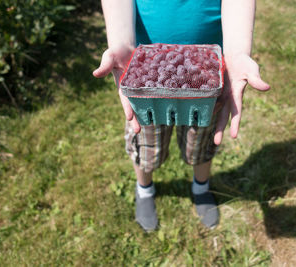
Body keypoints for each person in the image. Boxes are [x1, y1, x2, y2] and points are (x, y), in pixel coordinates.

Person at [93, 0, 270, 231]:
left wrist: (236, 51)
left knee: (200, 141)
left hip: (205, 77)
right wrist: (120, 41)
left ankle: (201, 187)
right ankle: (144, 189)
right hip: (147, 77)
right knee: (147, 143)